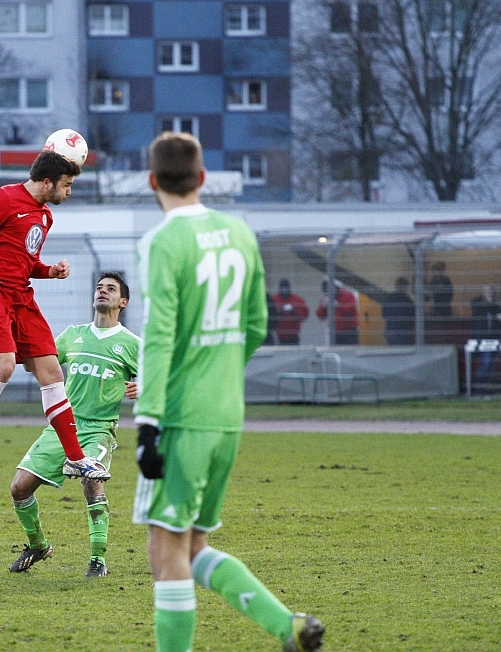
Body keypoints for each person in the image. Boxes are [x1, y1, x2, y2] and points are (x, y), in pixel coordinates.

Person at [133, 133, 323, 652]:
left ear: (152, 182)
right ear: (202, 178)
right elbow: (258, 323)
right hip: (227, 415)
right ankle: (288, 625)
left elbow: (159, 336)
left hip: (180, 419)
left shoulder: (162, 241)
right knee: (193, 546)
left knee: (164, 551)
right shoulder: (239, 231)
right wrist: (218, 372)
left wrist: (148, 422)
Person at [0, 147, 109, 488]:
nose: (68, 192)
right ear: (46, 182)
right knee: (4, 366)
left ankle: (75, 457)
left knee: (53, 372)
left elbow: (24, 262)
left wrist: (49, 270)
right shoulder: (1, 199)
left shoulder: (45, 216)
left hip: (22, 296)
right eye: (66, 185)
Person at [8, 272, 139, 578]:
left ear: (123, 302)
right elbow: (40, 362)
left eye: (110, 289)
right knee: (19, 488)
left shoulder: (132, 344)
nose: (102, 291)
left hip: (98, 428)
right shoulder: (73, 334)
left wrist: (144, 388)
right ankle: (38, 545)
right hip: (62, 426)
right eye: (99, 287)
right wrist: (14, 349)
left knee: (92, 480)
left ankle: (98, 559)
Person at [471, 284, 501, 383]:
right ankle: (479, 382)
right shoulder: (477, 302)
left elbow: (500, 320)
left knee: (493, 361)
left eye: (491, 291)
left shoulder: (495, 306)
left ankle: (488, 383)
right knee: (486, 361)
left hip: (494, 337)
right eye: (487, 291)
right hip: (483, 337)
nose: (489, 293)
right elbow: (480, 311)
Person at [316, 280, 359, 344]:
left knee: (350, 351)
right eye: (327, 288)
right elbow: (320, 316)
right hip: (334, 331)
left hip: (349, 330)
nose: (329, 291)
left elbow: (352, 311)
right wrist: (323, 307)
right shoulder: (326, 298)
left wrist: (338, 305)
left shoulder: (348, 295)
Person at [271, 279, 309, 345]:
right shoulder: (274, 299)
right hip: (278, 336)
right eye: (283, 288)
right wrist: (280, 312)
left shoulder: (297, 299)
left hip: (294, 336)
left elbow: (305, 315)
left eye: (286, 288)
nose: (284, 290)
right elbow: (269, 315)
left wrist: (294, 312)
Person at [382, 277, 415, 345]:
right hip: (403, 333)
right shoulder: (407, 300)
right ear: (405, 287)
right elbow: (413, 316)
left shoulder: (389, 298)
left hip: (391, 331)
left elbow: (384, 314)